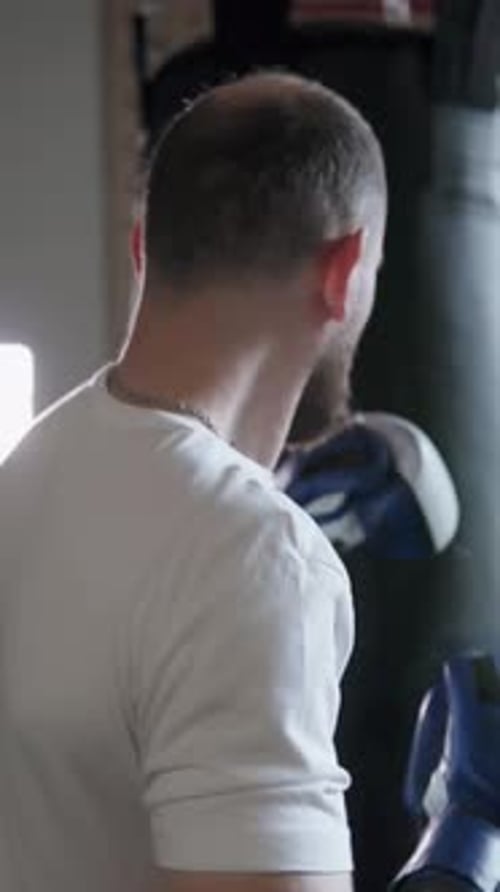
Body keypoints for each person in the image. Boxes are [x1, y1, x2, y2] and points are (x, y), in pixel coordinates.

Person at [0, 71, 472, 892]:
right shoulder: (255, 558)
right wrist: (462, 841)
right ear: (346, 266)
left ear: (144, 246)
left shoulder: (31, 465)